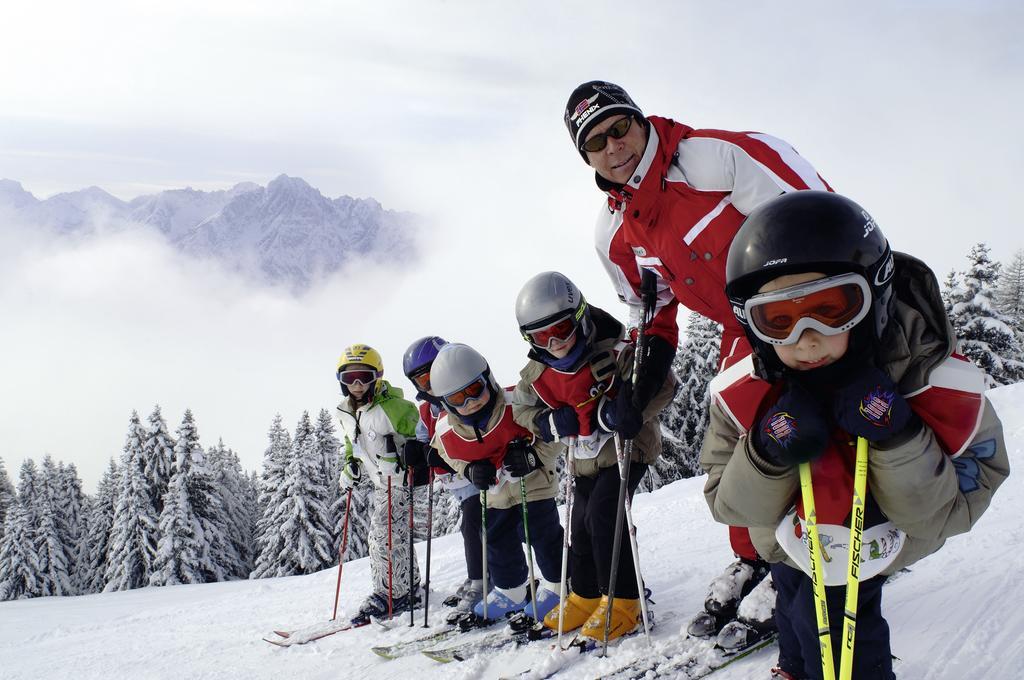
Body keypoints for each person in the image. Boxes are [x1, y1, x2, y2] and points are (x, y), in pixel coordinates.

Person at [701, 191, 1010, 679]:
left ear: (873, 298)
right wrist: (767, 445)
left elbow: (956, 503)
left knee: (838, 626)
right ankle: (794, 666)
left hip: (868, 539)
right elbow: (730, 503)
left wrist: (897, 435)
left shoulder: (931, 378)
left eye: (829, 307)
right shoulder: (746, 392)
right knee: (791, 597)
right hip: (790, 534)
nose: (805, 337)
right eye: (778, 319)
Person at [564, 79, 833, 640]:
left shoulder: (715, 158)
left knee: (804, 438)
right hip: (742, 334)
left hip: (801, 314)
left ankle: (814, 558)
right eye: (595, 141)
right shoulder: (614, 233)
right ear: (584, 156)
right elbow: (651, 315)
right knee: (736, 455)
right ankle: (760, 557)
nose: (614, 146)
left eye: (620, 127)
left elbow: (821, 214)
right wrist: (633, 393)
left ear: (640, 121)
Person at [511, 271, 675, 641]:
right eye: (541, 337)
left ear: (581, 316)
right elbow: (522, 410)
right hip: (582, 457)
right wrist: (548, 421)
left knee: (605, 513)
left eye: (563, 330)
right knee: (581, 521)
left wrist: (631, 409)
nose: (555, 343)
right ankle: (585, 594)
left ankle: (625, 600)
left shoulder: (615, 348)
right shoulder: (538, 373)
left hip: (627, 449)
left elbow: (663, 383)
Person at [429, 343, 565, 622]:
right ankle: (511, 590)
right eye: (458, 399)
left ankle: (558, 584)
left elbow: (555, 437)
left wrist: (532, 457)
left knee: (542, 535)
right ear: (445, 403)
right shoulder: (446, 430)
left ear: (488, 380)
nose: (470, 402)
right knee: (497, 541)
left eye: (474, 390)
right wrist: (470, 472)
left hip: (533, 486)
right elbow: (449, 456)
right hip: (493, 495)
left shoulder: (518, 403)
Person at [399, 335, 489, 620]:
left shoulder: (464, 399)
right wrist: (418, 453)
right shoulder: (427, 409)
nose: (430, 385)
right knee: (478, 528)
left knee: (475, 527)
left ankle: (483, 580)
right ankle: (483, 575)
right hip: (457, 484)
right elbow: (424, 437)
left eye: (433, 375)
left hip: (478, 478)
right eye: (422, 381)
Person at [334, 343, 422, 625]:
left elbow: (420, 439)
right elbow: (353, 443)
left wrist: (401, 458)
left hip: (399, 480)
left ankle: (393, 594)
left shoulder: (395, 408)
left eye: (363, 376)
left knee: (383, 535)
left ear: (378, 376)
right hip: (378, 482)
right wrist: (352, 464)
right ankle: (407, 587)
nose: (357, 385)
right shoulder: (346, 412)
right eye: (349, 378)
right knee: (393, 534)